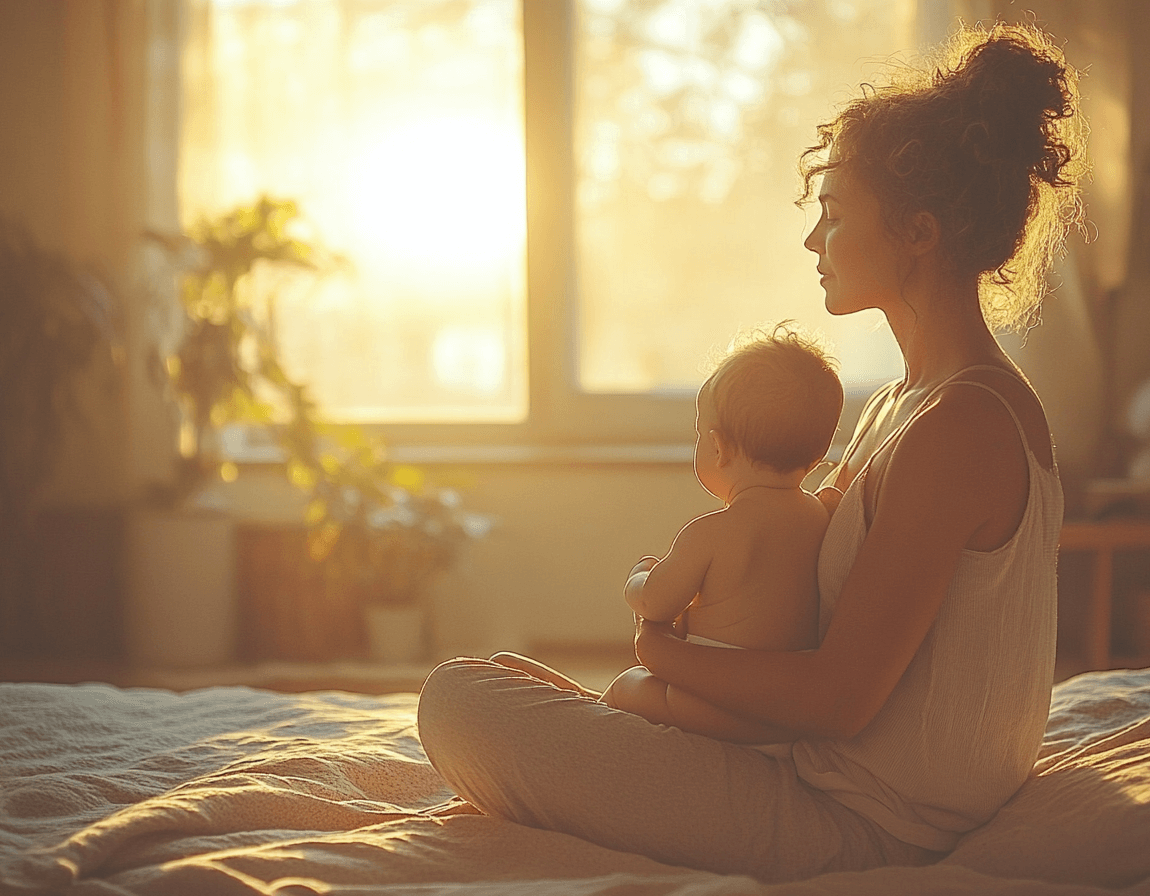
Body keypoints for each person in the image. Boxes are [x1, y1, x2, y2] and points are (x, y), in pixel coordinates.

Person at [417, 20, 1086, 883]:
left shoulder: (963, 424)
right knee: (503, 675)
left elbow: (838, 699)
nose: (814, 241)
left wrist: (661, 653)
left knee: (458, 700)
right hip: (813, 776)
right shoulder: (902, 404)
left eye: (835, 216)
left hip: (863, 823)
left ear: (920, 232)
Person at [593, 325, 842, 743]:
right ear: (817, 455)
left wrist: (641, 574)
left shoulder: (710, 533)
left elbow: (655, 604)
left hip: (712, 704)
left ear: (718, 447)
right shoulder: (822, 516)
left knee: (627, 685)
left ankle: (590, 744)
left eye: (697, 434)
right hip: (782, 717)